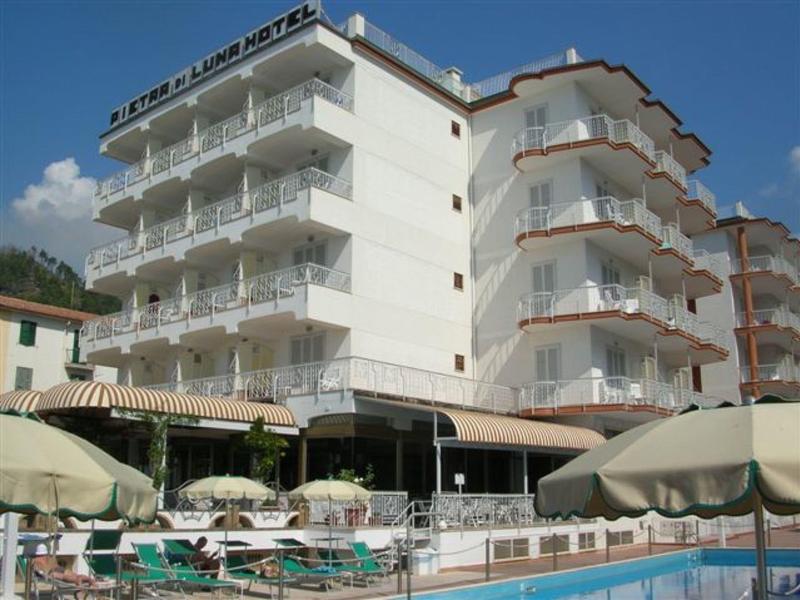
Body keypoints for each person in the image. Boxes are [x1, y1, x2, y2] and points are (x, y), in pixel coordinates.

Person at [30, 543, 97, 590]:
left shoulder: (35, 560)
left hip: (51, 573)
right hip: (57, 568)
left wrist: (45, 575)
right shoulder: (49, 557)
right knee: (74, 574)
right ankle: (88, 579)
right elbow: (55, 564)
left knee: (64, 577)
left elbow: (40, 572)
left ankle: (77, 580)